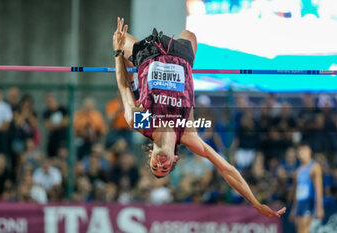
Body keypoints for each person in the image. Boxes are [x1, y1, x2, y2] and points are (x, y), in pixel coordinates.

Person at [112, 17, 285, 218]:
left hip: (150, 55)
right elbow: (227, 169)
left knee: (119, 41)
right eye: (164, 169)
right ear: (175, 159)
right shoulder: (187, 134)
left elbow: (122, 87)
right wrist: (255, 203)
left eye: (155, 166)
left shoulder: (142, 124)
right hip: (180, 56)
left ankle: (131, 70)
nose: (160, 164)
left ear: (150, 156)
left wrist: (117, 53)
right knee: (191, 35)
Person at [291, 143, 324, 233]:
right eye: (300, 151)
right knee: (299, 229)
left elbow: (319, 188)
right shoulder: (298, 171)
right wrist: (294, 209)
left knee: (305, 229)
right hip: (300, 204)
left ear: (309, 152)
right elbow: (297, 192)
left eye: (304, 151)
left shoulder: (314, 167)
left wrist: (319, 207)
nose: (302, 153)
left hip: (309, 202)